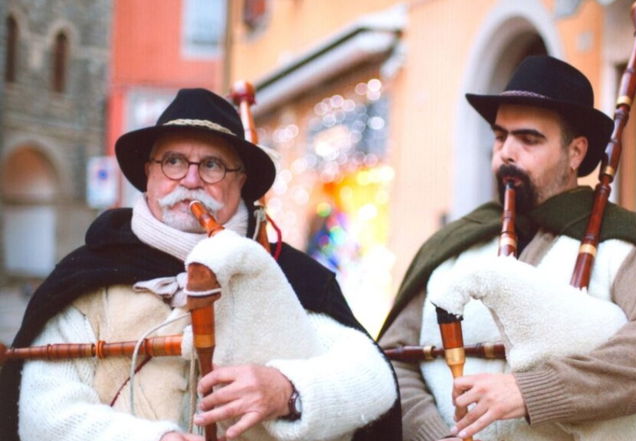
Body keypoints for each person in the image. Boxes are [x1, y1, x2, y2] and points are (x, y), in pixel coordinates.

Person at [378, 55, 636, 441]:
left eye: (529, 139)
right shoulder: (454, 244)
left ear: (576, 153)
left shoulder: (621, 245)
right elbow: (393, 358)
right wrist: (436, 436)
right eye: (500, 136)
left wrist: (530, 391)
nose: (507, 152)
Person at [0, 88, 400, 441]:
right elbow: (45, 415)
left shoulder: (281, 271)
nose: (190, 180)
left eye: (212, 165)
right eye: (173, 161)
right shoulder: (89, 272)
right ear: (149, 174)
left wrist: (287, 390)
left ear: (241, 181)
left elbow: (372, 378)